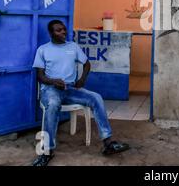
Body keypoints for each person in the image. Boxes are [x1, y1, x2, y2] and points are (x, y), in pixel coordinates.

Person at [31, 20, 129, 166]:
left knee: (96, 97)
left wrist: (82, 79)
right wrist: (53, 82)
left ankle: (108, 143)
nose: (63, 32)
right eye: (59, 30)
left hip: (70, 89)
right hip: (51, 90)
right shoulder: (43, 49)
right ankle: (47, 151)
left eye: (64, 29)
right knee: (52, 104)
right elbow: (39, 76)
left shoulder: (73, 47)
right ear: (51, 33)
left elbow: (86, 63)